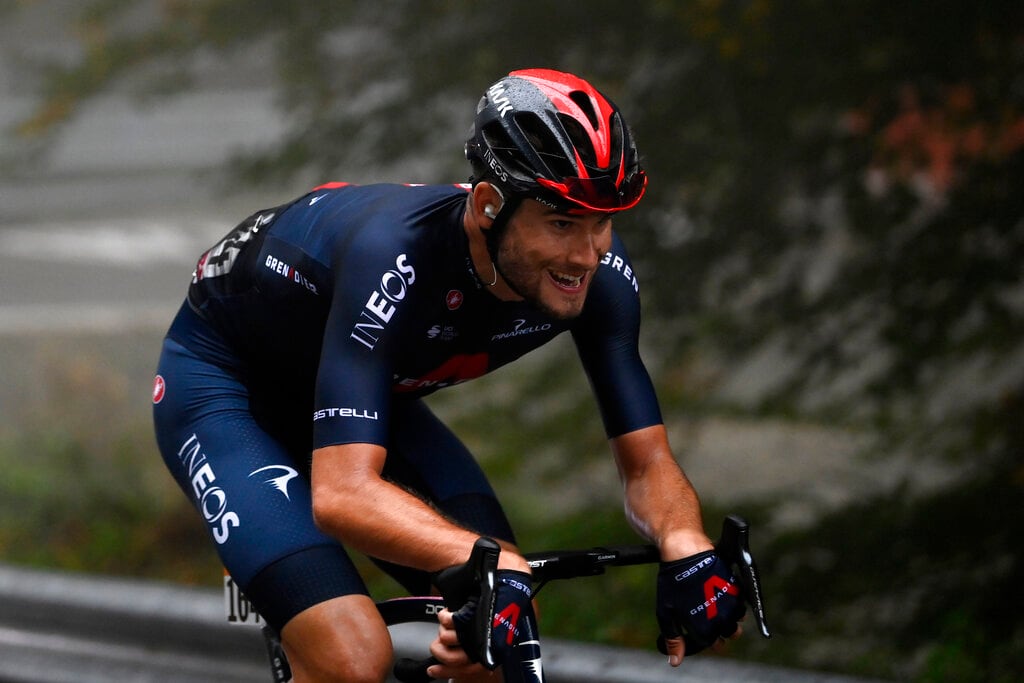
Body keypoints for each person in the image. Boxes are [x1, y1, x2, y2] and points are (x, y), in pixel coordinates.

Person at [151, 68, 745, 682]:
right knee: (352, 658)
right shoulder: (391, 255)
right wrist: (490, 561)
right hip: (227, 392)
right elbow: (342, 494)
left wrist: (685, 542)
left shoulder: (601, 280)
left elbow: (647, 463)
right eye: (562, 223)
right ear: (489, 205)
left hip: (361, 393)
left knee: (498, 635)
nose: (587, 254)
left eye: (603, 221)